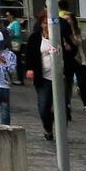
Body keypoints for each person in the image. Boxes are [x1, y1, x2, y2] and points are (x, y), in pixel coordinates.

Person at [26, 10, 56, 140]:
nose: (47, 26)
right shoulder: (35, 37)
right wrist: (29, 69)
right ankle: (48, 127)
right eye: (45, 23)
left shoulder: (58, 36)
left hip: (60, 77)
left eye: (49, 23)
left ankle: (60, 131)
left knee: (63, 107)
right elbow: (29, 55)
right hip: (43, 77)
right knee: (44, 106)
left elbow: (71, 49)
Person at [66, 12, 86, 115]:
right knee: (68, 84)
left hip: (81, 62)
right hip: (69, 61)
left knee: (82, 84)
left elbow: (85, 49)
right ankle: (67, 104)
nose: (67, 21)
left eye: (68, 19)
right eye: (65, 19)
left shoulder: (81, 34)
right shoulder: (62, 34)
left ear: (73, 20)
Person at [5, 10, 25, 85]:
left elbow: (17, 33)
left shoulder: (16, 23)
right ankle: (16, 78)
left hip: (16, 44)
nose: (6, 17)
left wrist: (9, 35)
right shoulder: (12, 23)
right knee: (13, 60)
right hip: (12, 43)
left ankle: (19, 78)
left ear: (12, 16)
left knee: (17, 61)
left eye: (7, 15)